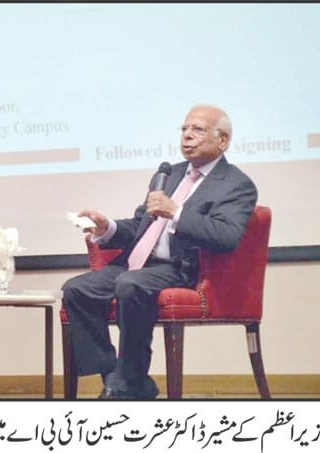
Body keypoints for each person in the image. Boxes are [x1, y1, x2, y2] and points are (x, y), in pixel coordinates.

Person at [62, 105, 257, 399]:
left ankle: (129, 382)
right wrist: (108, 227)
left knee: (130, 284)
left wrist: (176, 212)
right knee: (76, 289)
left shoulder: (236, 185)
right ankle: (116, 374)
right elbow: (141, 224)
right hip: (136, 263)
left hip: (181, 268)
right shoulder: (170, 174)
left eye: (198, 129)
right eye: (184, 129)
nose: (187, 136)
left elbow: (226, 236)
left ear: (223, 141)